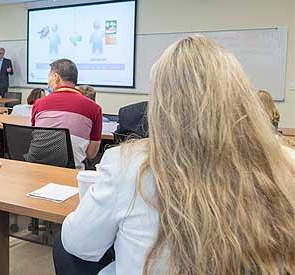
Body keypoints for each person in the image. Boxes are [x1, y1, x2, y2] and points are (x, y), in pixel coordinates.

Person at [54, 36, 295, 275]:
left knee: (66, 248)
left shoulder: (131, 165)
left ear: (160, 104)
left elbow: (78, 243)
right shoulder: (285, 163)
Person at [31, 59, 102, 169]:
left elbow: (36, 139)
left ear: (56, 77)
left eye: (49, 77)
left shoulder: (39, 104)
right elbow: (91, 154)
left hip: (38, 170)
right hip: (72, 175)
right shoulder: (94, 108)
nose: (47, 82)